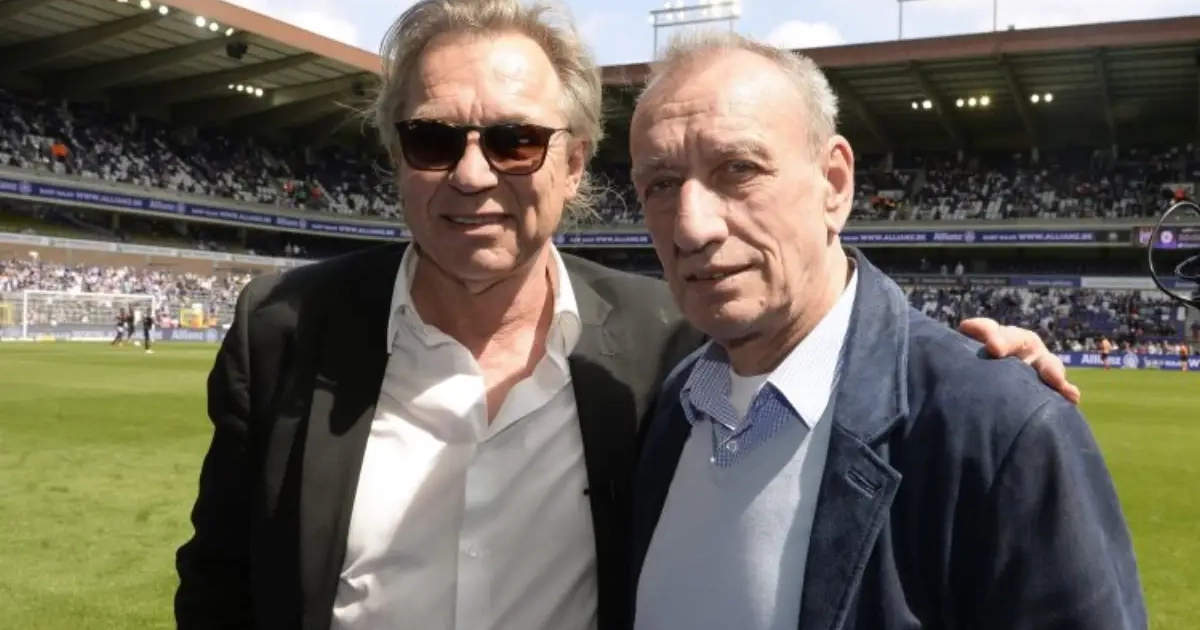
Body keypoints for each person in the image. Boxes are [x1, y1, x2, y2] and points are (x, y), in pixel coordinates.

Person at [174, 2, 1077, 629]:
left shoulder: (665, 347)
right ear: (395, 156)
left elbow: (837, 358)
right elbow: (219, 588)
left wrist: (977, 381)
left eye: (516, 140)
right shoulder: (283, 328)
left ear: (573, 167)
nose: (473, 174)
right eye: (433, 139)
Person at [629, 33, 1143, 630]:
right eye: (660, 184)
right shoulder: (672, 407)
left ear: (834, 184)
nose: (691, 227)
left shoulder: (998, 430)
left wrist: (995, 406)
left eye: (738, 169)